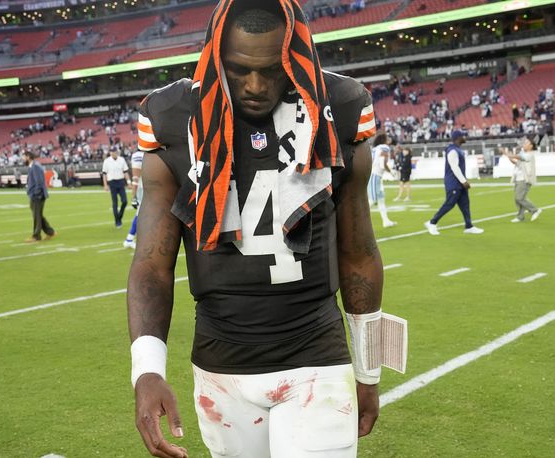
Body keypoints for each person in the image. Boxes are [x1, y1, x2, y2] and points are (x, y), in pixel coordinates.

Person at [126, 1, 385, 457]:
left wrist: (368, 372)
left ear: (296, 57)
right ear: (214, 56)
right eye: (238, 69)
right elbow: (152, 264)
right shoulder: (172, 117)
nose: (255, 86)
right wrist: (146, 371)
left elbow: (358, 253)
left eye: (272, 70)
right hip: (219, 367)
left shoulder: (339, 110)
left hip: (315, 357)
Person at [424, 130, 483, 235]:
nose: (464, 137)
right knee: (449, 204)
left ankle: (469, 226)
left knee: (465, 204)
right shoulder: (452, 151)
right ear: (458, 138)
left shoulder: (457, 150)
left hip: (459, 183)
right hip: (453, 182)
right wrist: (464, 181)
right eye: (462, 136)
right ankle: (432, 223)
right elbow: (454, 167)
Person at [501, 137, 541, 223]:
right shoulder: (524, 153)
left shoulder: (529, 154)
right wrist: (509, 157)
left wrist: (505, 153)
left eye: (526, 143)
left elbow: (516, 156)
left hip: (524, 179)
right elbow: (516, 162)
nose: (524, 144)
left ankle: (534, 210)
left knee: (519, 198)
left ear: (531, 146)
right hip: (518, 178)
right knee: (518, 199)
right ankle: (520, 216)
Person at [23, 151, 56, 242]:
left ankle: (36, 236)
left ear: (28, 157)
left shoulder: (35, 166)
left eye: (24, 157)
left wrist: (36, 194)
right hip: (34, 194)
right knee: (38, 215)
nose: (23, 159)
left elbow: (39, 182)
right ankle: (50, 232)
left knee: (36, 215)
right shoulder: (33, 166)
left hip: (37, 195)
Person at [369, 133, 396, 228]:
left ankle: (386, 221)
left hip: (376, 176)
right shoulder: (384, 147)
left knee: (381, 200)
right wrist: (391, 172)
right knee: (372, 200)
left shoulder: (376, 148)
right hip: (375, 175)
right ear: (383, 140)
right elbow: (382, 164)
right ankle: (358, 221)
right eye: (387, 138)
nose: (389, 139)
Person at [102, 149, 130, 228]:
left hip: (121, 181)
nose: (113, 154)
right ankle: (117, 221)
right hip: (112, 182)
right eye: (112, 152)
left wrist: (129, 182)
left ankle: (119, 216)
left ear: (116, 153)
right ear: (110, 153)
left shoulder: (121, 160)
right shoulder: (107, 161)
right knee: (115, 202)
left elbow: (125, 172)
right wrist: (105, 185)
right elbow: (104, 174)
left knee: (124, 201)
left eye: (114, 152)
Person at [123, 148, 144, 249]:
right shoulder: (139, 155)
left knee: (141, 215)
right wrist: (133, 196)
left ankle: (130, 239)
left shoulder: (139, 155)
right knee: (140, 214)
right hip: (143, 189)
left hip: (145, 189)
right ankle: (129, 239)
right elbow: (135, 178)